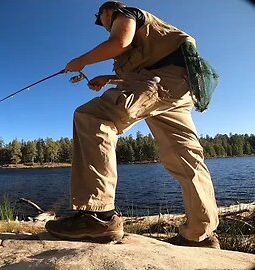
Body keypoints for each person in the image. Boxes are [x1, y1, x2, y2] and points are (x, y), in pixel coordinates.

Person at [45, 1, 220, 248]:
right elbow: (147, 63)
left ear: (107, 12)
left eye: (101, 21)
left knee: (93, 117)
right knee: (185, 156)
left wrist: (80, 61)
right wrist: (109, 78)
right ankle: (199, 234)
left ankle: (99, 217)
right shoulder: (153, 36)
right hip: (178, 89)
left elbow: (119, 43)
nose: (105, 26)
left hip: (160, 82)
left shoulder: (126, 14)